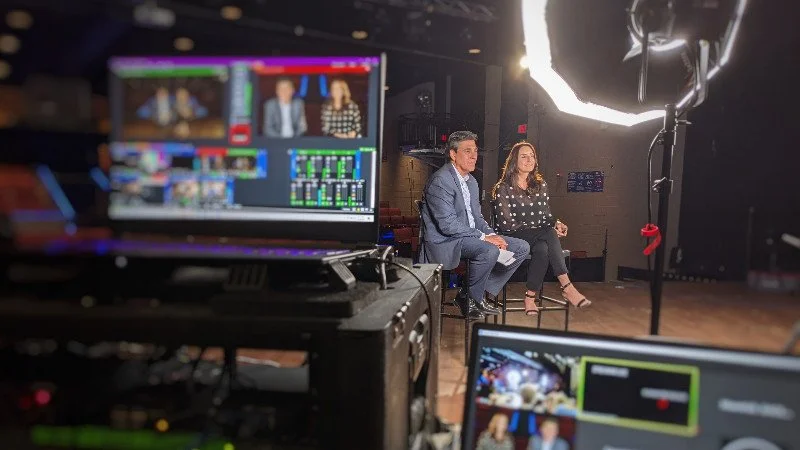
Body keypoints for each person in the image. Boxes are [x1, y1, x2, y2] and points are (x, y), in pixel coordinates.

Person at [420, 131, 530, 319]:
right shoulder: (441, 180)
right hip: (447, 241)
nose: (474, 156)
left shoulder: (471, 182)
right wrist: (484, 238)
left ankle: (469, 295)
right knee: (488, 250)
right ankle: (471, 297)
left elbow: (477, 218)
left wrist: (492, 235)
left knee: (521, 247)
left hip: (469, 238)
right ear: (453, 155)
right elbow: (447, 225)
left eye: (476, 151)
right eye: (467, 151)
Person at [491, 142, 591, 316]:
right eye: (524, 156)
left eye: (532, 156)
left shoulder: (541, 185)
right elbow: (506, 224)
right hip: (511, 237)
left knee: (543, 248)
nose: (529, 159)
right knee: (547, 233)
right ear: (514, 160)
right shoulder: (503, 188)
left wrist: (556, 223)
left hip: (538, 236)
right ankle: (567, 287)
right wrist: (546, 229)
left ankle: (530, 298)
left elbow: (545, 216)